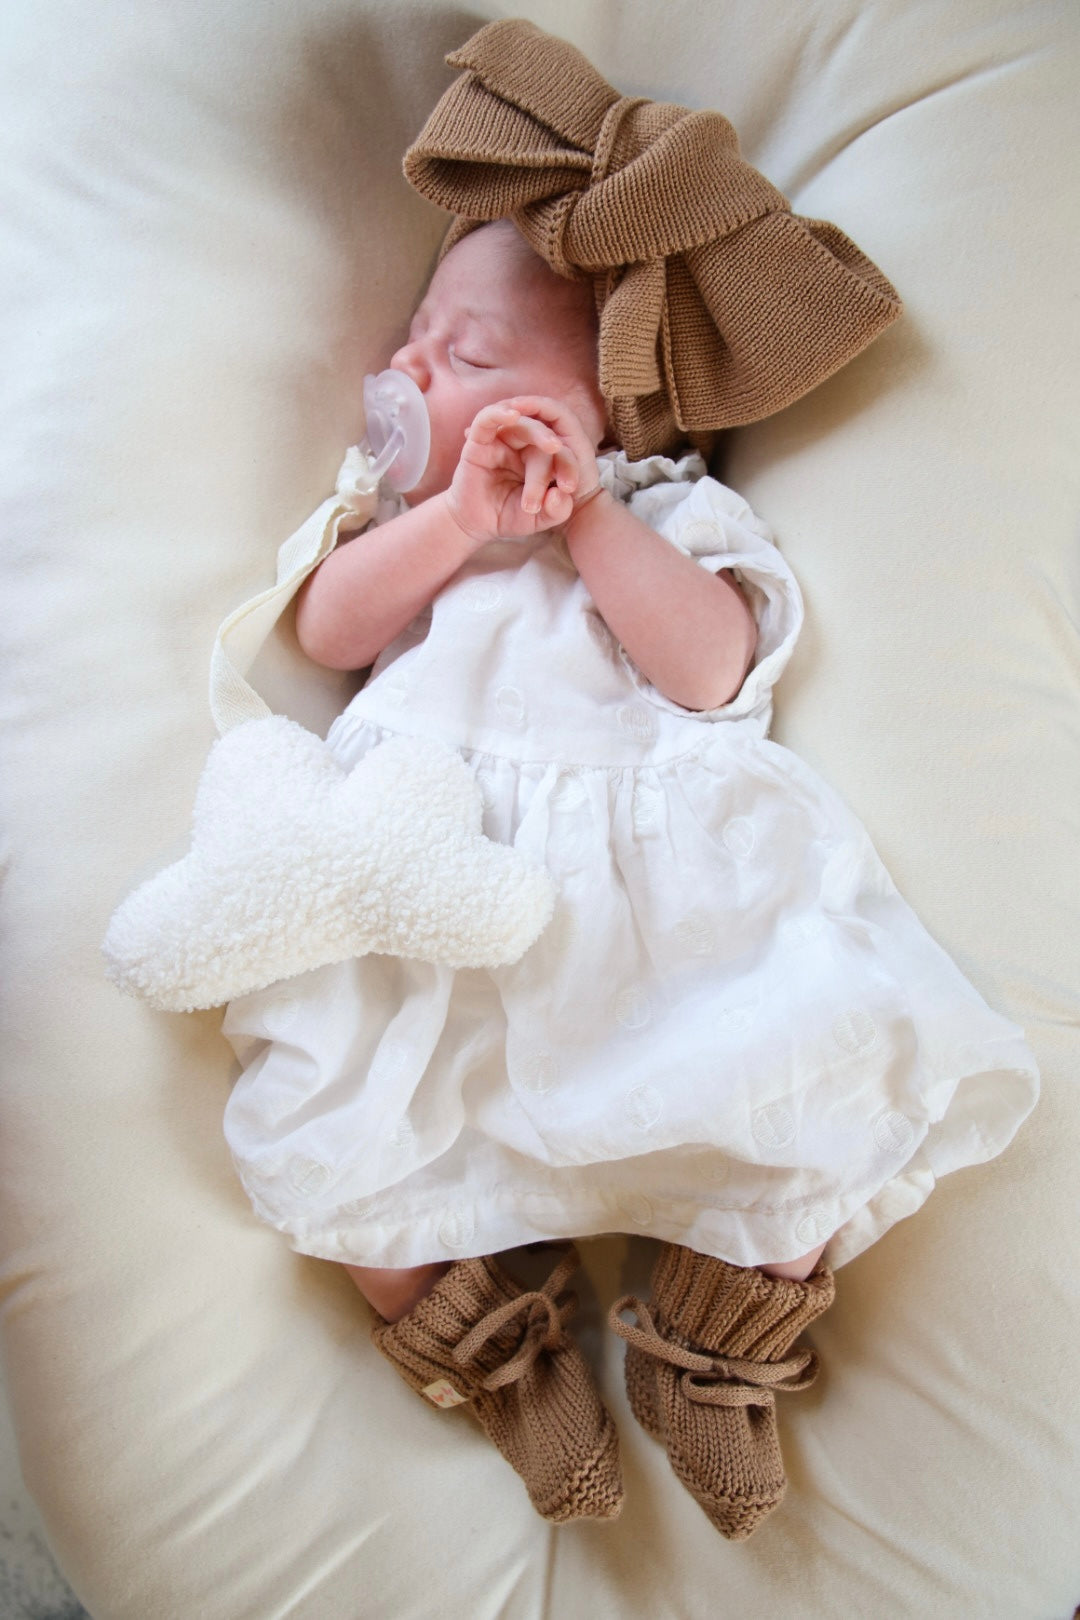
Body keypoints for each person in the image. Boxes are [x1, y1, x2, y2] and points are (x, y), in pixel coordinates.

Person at [221, 216, 1038, 1538]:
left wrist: (587, 512)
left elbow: (713, 671)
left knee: (813, 1070)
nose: (415, 365)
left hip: (660, 912)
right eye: (417, 337)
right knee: (331, 1127)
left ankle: (712, 1357)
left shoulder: (668, 511)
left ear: (609, 405)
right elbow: (326, 628)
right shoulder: (408, 525)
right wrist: (458, 524)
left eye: (468, 348)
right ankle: (504, 1359)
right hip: (442, 906)